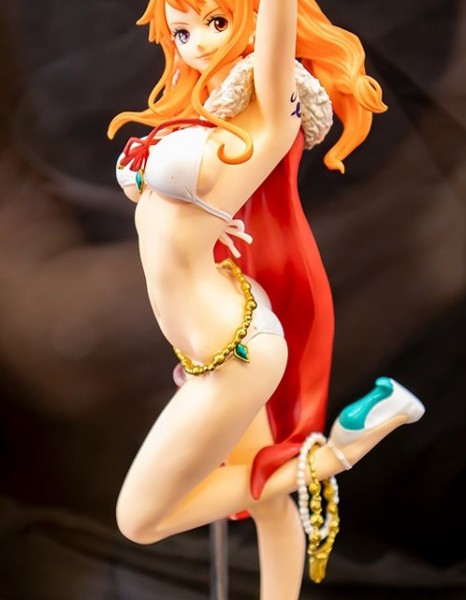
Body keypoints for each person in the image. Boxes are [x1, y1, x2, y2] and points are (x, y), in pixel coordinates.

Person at [108, 1, 425, 598]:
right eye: (182, 31)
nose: (199, 43)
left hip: (233, 354)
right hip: (212, 338)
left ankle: (338, 453)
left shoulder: (270, 109)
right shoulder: (205, 114)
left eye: (218, 22)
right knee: (267, 503)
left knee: (139, 520)